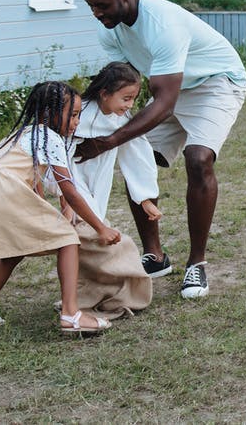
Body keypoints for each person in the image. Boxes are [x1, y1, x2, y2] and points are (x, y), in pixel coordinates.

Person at [78, 0, 246, 299]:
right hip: (170, 89)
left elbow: (164, 102)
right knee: (135, 157)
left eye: (102, 5)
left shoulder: (161, 23)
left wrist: (110, 140)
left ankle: (196, 265)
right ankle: (154, 256)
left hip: (215, 82)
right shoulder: (109, 30)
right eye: (91, 6)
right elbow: (124, 85)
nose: (96, 14)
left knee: (198, 159)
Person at [0, 81, 121, 335]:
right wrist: (101, 228)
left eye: (79, 115)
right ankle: (71, 314)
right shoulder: (50, 137)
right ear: (49, 112)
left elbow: (37, 182)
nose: (77, 121)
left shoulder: (25, 134)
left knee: (12, 252)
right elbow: (69, 189)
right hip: (5, 190)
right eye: (74, 114)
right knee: (68, 240)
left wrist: (55, 212)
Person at [64, 61, 159, 317]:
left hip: (99, 185)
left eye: (133, 99)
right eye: (126, 98)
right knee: (93, 237)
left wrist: (145, 198)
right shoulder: (77, 115)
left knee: (88, 240)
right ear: (105, 93)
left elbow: (136, 153)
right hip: (74, 184)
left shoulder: (120, 120)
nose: (130, 105)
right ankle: (91, 297)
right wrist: (65, 199)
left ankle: (90, 294)